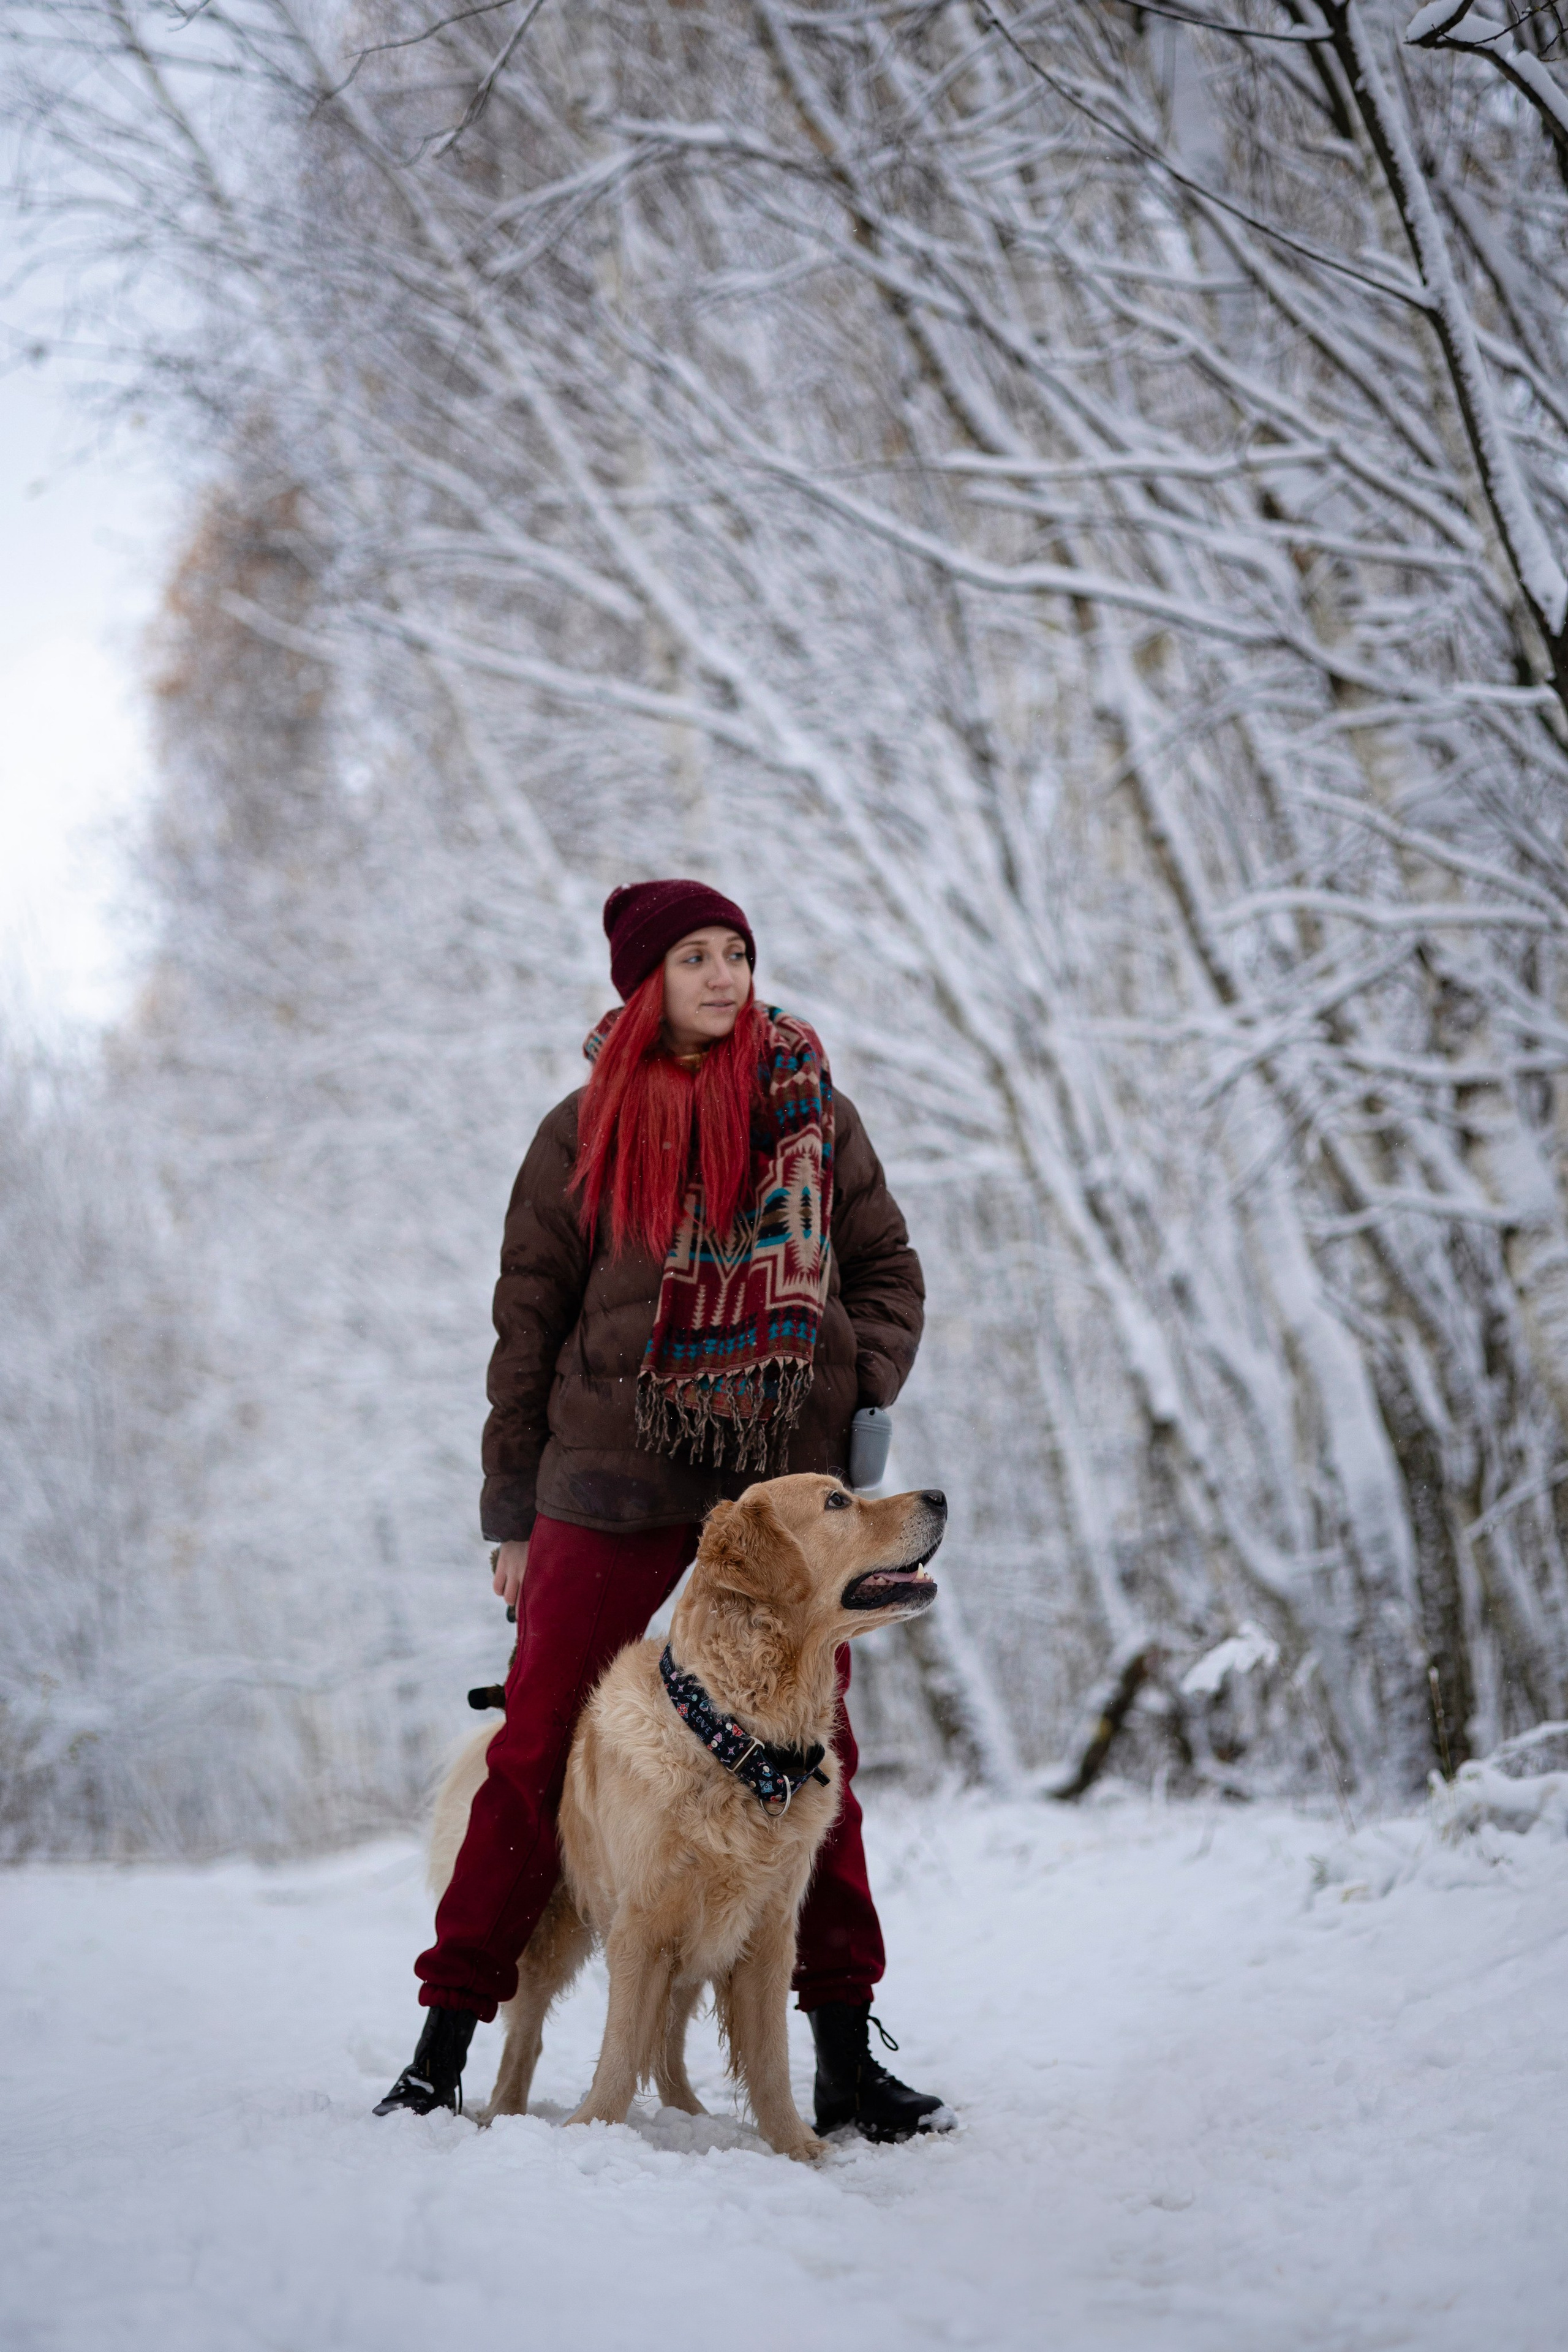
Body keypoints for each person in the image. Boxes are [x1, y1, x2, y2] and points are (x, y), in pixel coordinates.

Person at [376, 876, 948, 2141]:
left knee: (811, 1761)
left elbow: (886, 1266)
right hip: (609, 1469)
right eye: (692, 956)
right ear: (645, 982)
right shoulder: (579, 1128)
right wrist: (510, 1513)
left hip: (782, 1484)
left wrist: (853, 1380)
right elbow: (524, 1326)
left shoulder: (810, 1109)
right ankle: (441, 2043)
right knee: (532, 1749)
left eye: (736, 951)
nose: (722, 975)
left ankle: (843, 2054)